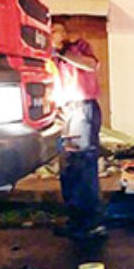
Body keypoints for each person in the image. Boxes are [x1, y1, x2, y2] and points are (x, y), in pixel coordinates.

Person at [51, 24, 107, 240]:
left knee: (82, 164)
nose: (52, 35)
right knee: (69, 167)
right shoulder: (51, 56)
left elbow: (91, 64)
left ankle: (91, 223)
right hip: (65, 111)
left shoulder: (78, 48)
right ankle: (77, 220)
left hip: (82, 108)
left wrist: (63, 52)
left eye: (56, 31)